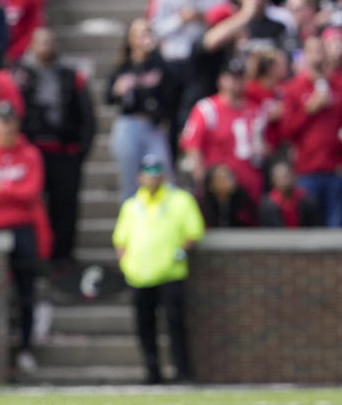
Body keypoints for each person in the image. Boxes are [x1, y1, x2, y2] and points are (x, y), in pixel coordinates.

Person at [0, 102, 49, 374]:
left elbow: (32, 192)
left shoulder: (31, 154)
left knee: (26, 293)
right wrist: (13, 190)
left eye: (9, 121)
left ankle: (25, 349)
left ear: (17, 124)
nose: (5, 126)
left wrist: (1, 188)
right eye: (0, 121)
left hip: (22, 228)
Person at [112, 155, 205, 384]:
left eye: (156, 172)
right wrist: (127, 266)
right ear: (139, 176)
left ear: (163, 175)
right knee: (145, 327)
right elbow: (120, 240)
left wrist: (180, 252)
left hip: (170, 274)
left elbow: (194, 231)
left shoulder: (180, 200)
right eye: (148, 172)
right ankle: (152, 372)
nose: (152, 177)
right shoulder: (132, 205)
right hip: (140, 277)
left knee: (175, 325)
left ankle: (182, 372)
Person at [18, 28, 95, 262]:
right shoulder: (20, 76)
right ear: (32, 45)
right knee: (34, 207)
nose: (46, 47)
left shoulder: (71, 76)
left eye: (50, 42)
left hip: (65, 151)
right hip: (34, 152)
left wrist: (81, 150)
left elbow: (87, 116)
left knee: (66, 207)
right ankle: (38, 256)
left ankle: (64, 257)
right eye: (41, 42)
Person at [180, 57, 268, 202]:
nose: (236, 82)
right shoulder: (207, 108)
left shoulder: (255, 110)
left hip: (251, 185)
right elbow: (191, 145)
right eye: (232, 77)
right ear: (221, 79)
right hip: (219, 189)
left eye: (240, 77)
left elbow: (266, 145)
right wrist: (201, 180)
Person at [107, 19, 174, 201]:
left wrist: (155, 53)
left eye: (147, 32)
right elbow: (109, 98)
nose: (145, 38)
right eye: (139, 33)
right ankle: (131, 226)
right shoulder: (123, 67)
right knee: (130, 182)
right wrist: (118, 89)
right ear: (130, 39)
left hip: (153, 126)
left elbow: (173, 87)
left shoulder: (159, 64)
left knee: (165, 177)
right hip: (128, 125)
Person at [281, 36, 342, 226]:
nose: (317, 56)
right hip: (306, 170)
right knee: (309, 227)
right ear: (305, 55)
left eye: (321, 50)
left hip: (336, 170)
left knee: (336, 227)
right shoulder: (294, 89)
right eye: (312, 51)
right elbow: (286, 130)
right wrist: (309, 109)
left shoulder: (338, 86)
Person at [258, 159, 321, 227]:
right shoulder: (267, 205)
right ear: (273, 180)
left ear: (294, 177)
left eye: (287, 176)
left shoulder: (307, 201)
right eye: (280, 178)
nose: (285, 181)